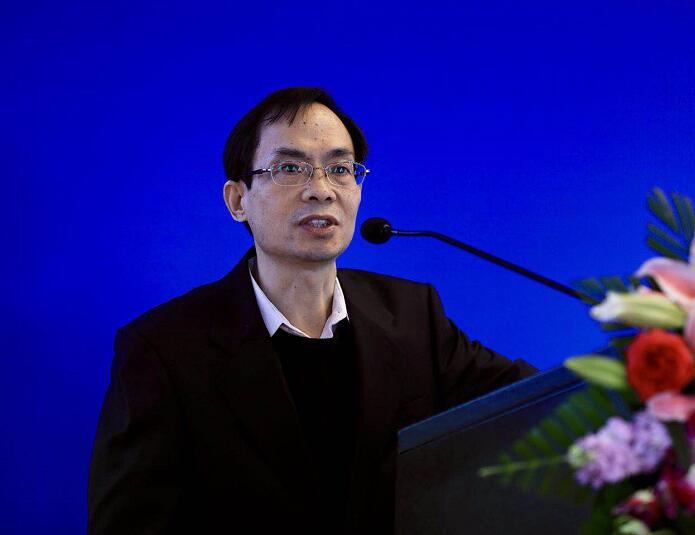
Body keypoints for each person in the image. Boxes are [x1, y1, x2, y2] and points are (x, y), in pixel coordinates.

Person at [87, 87, 536, 535]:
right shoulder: (165, 349)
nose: (321, 190)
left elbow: (535, 407)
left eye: (340, 169)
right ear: (238, 200)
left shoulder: (412, 315)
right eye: (289, 168)